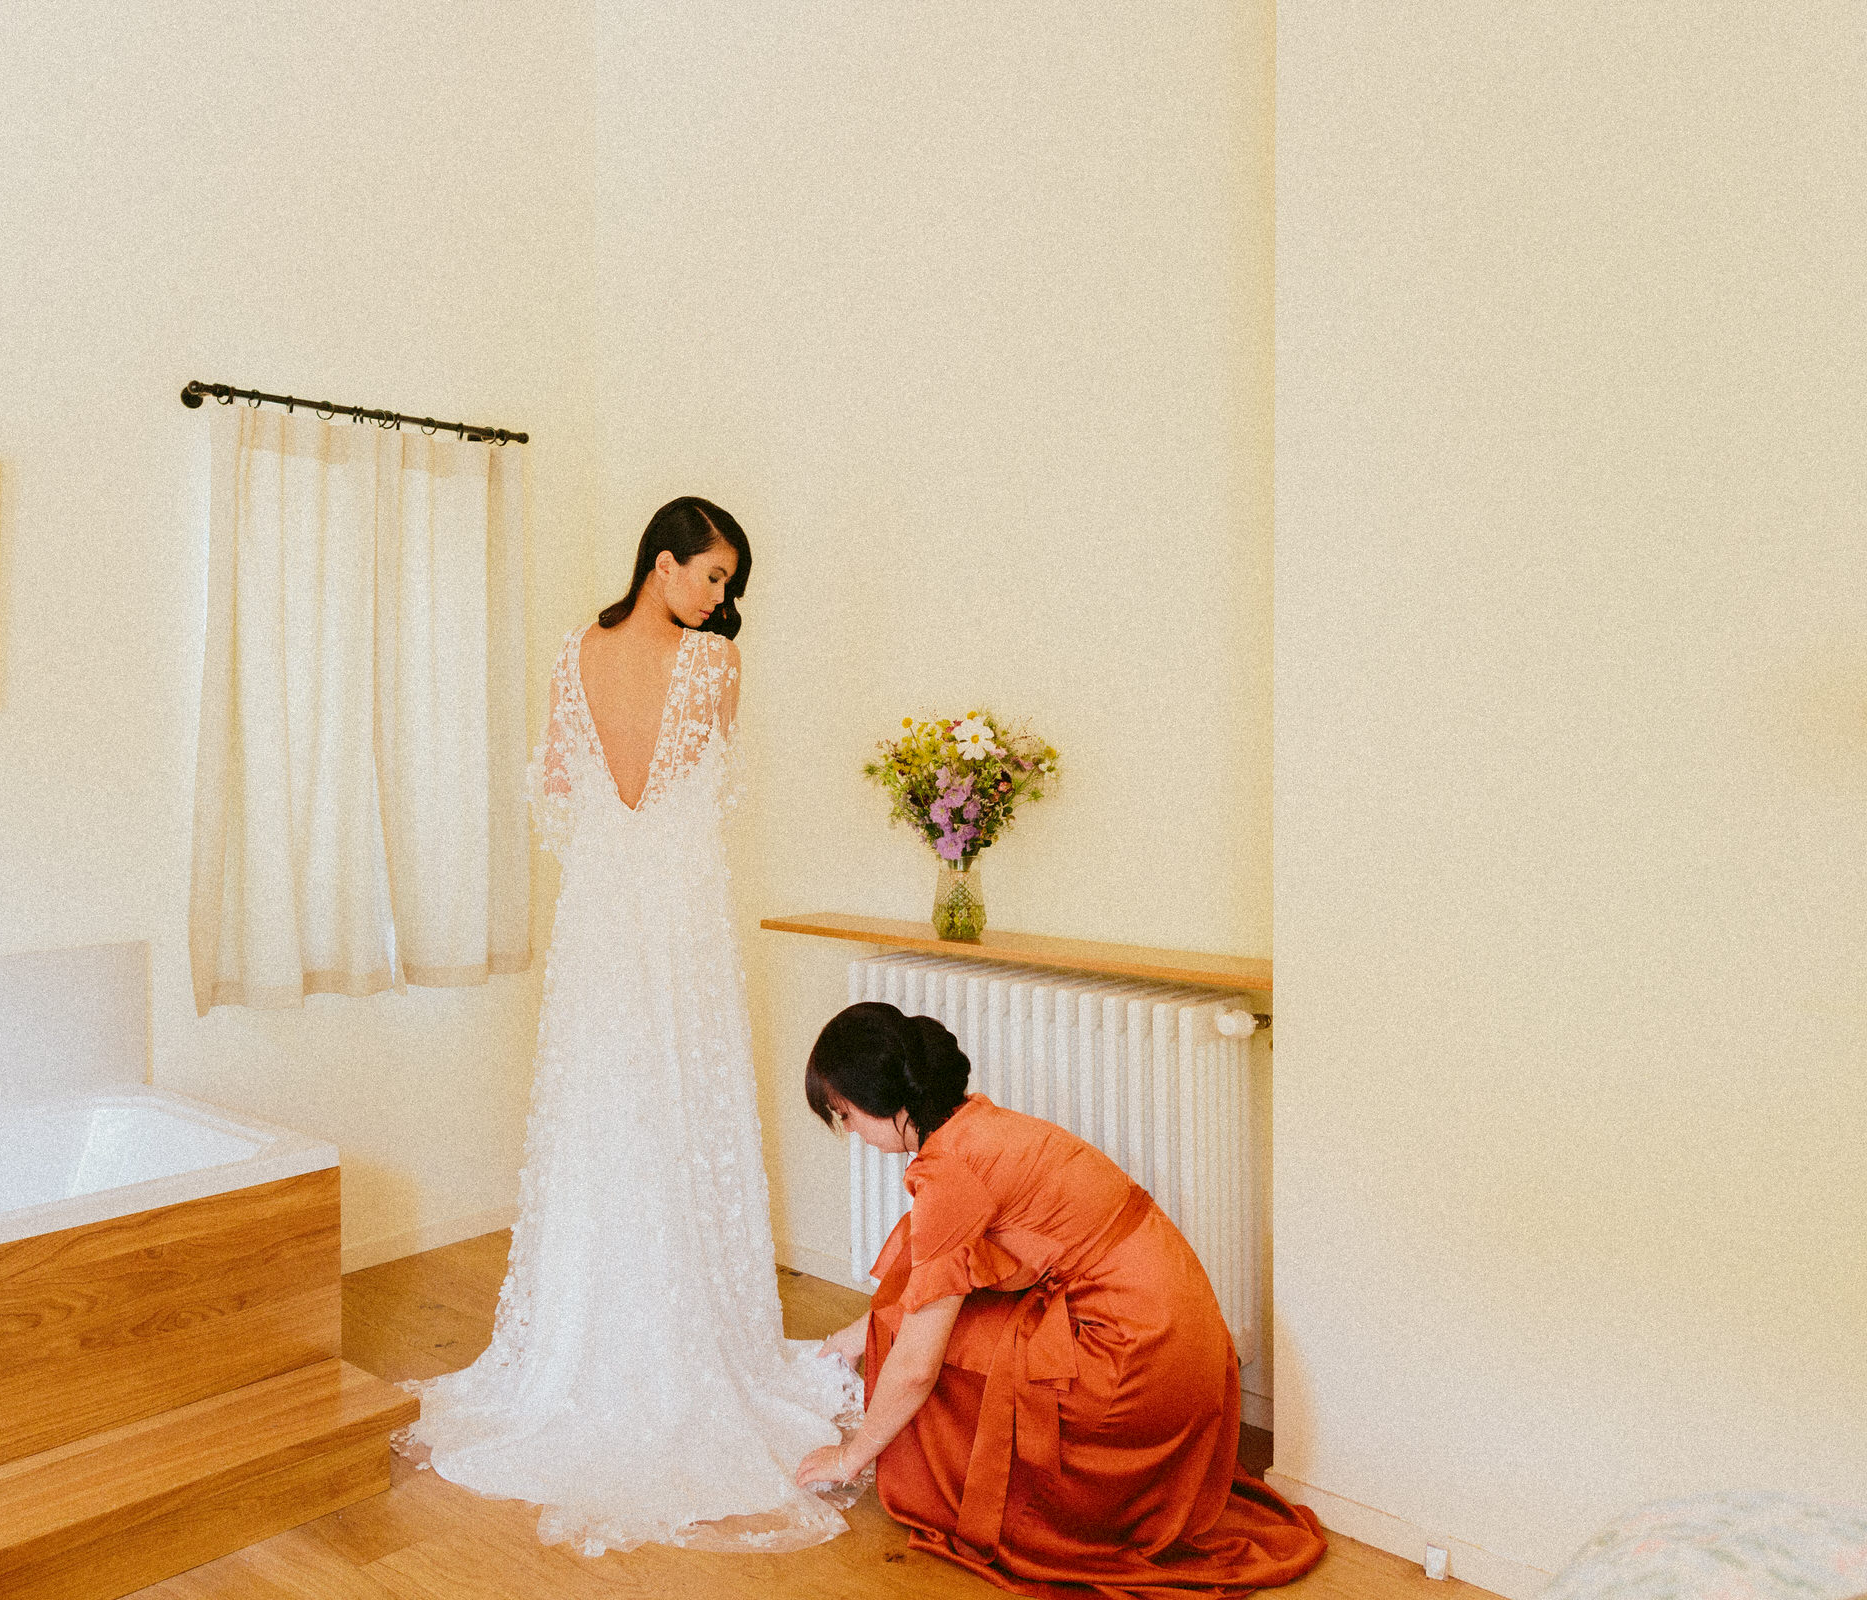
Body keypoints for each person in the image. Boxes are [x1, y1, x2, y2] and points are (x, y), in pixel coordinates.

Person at [403, 498, 862, 1556]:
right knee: (672, 1104)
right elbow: (703, 788)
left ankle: (591, 1331)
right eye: (712, 575)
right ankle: (676, 1331)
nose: (719, 597)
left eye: (726, 583)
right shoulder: (714, 666)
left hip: (602, 920)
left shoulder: (574, 655)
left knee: (607, 1107)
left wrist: (616, 844)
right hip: (676, 919)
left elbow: (561, 795)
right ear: (663, 563)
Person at [794, 1001, 1328, 1598]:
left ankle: (981, 1498)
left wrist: (851, 1456)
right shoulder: (980, 1123)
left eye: (845, 1114)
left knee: (926, 1344)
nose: (850, 1132)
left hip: (1134, 1366)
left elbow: (918, 1364)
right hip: (1186, 1336)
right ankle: (870, 1366)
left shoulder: (951, 1176)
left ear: (881, 1099)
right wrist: (853, 1338)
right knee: (921, 1272)